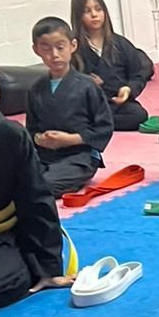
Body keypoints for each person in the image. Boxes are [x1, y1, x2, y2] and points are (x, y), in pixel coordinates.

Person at [0, 43, 71, 309]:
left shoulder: (11, 137)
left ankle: (25, 262)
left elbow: (36, 199)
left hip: (2, 233)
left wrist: (49, 266)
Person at [25, 17, 114, 198]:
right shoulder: (35, 89)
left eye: (60, 47)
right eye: (46, 48)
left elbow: (104, 127)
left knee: (44, 185)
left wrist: (71, 139)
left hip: (80, 156)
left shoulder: (87, 86)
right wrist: (39, 138)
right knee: (14, 179)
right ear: (36, 50)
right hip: (45, 155)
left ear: (73, 46)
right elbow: (31, 129)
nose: (54, 54)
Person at [70, 0, 154, 131]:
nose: (94, 15)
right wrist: (86, 82)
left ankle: (97, 124)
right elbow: (68, 79)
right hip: (89, 105)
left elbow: (137, 74)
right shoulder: (74, 48)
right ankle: (94, 122)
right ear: (78, 16)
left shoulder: (120, 43)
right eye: (87, 11)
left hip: (116, 103)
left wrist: (128, 89)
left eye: (98, 9)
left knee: (139, 115)